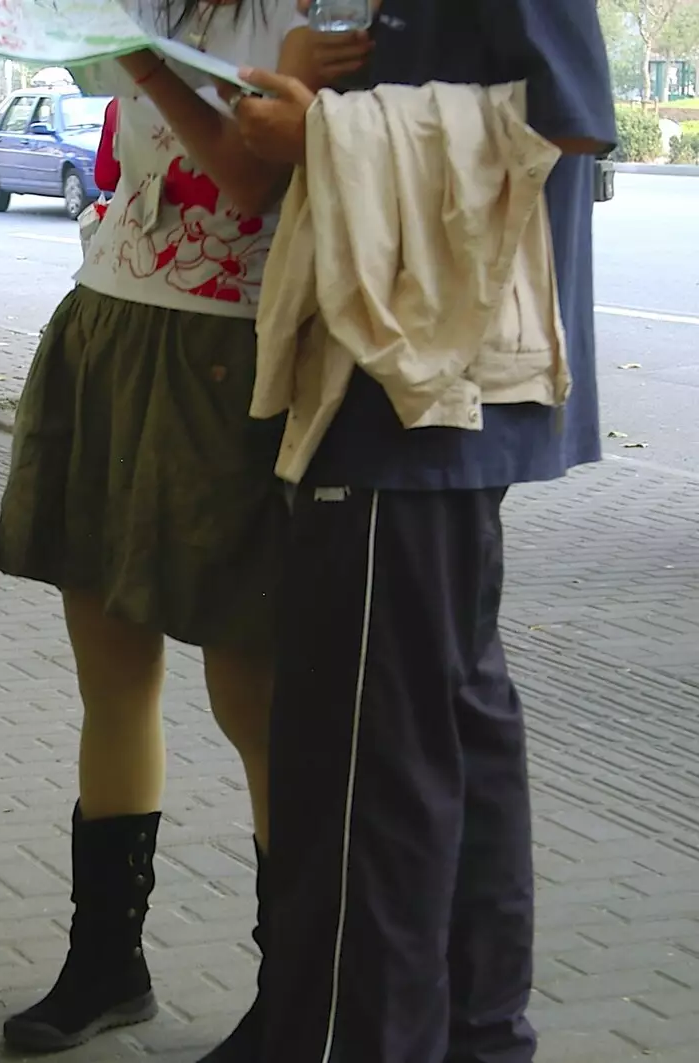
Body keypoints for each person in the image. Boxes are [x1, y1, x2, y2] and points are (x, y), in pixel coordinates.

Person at [223, 2, 616, 1061]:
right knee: (453, 735)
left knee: (366, 769)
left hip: (413, 397)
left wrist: (328, 133)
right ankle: (480, 1037)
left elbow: (569, 119)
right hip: (412, 394)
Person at [0, 1, 367, 1055]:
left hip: (236, 349)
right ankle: (104, 960)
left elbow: (252, 175)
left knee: (254, 694)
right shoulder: (157, 8)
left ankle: (293, 994)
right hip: (107, 317)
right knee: (108, 665)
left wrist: (145, 65)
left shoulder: (321, 14)